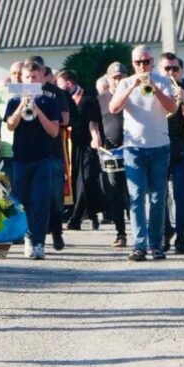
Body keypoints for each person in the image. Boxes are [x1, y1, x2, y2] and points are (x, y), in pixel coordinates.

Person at [108, 45, 178, 261]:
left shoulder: (163, 81)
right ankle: (139, 245)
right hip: (134, 148)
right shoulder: (125, 83)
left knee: (158, 197)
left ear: (152, 63)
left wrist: (155, 88)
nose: (142, 66)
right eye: (138, 62)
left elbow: (172, 108)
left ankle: (156, 244)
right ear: (133, 64)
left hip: (159, 147)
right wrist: (131, 88)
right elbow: (113, 108)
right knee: (136, 197)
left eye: (146, 62)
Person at [4, 59, 61, 260]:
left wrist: (37, 111)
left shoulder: (49, 101)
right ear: (22, 78)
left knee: (41, 202)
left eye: (34, 77)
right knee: (22, 202)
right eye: (27, 77)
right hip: (20, 158)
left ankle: (38, 242)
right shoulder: (13, 101)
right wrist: (21, 107)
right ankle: (28, 236)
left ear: (41, 78)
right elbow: (10, 126)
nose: (30, 80)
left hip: (43, 159)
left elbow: (54, 131)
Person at [57, 69, 105, 232]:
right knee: (76, 182)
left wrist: (95, 136)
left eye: (61, 83)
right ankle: (91, 214)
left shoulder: (87, 97)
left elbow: (93, 121)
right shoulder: (63, 99)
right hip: (70, 145)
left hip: (86, 144)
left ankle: (76, 219)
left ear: (69, 83)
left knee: (85, 180)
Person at [30, 57, 71, 250]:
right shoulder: (21, 92)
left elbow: (64, 119)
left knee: (55, 196)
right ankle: (34, 237)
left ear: (43, 73)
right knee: (33, 197)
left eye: (36, 73)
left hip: (53, 151)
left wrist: (43, 112)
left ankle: (56, 232)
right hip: (30, 150)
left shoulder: (56, 92)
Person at [158, 53, 184, 251]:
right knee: (160, 194)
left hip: (180, 146)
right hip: (159, 145)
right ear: (160, 70)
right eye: (167, 69)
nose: (171, 73)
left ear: (181, 70)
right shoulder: (154, 87)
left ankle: (180, 239)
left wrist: (182, 102)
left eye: (174, 69)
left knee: (181, 195)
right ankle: (165, 232)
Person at [98, 63, 130, 249]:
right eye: (114, 77)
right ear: (108, 78)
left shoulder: (133, 96)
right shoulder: (101, 98)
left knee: (135, 193)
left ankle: (145, 233)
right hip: (111, 151)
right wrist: (95, 136)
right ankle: (121, 234)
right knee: (116, 195)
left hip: (132, 148)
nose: (117, 81)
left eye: (121, 77)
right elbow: (93, 123)